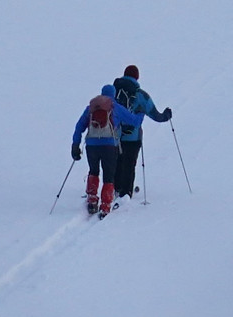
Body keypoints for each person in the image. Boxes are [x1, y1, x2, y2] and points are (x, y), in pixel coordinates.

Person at [72, 84, 143, 218]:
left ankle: (92, 200)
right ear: (114, 94)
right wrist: (141, 113)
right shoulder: (115, 107)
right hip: (109, 146)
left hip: (91, 145)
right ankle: (105, 206)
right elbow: (134, 122)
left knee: (93, 171)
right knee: (109, 176)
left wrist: (75, 144)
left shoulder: (91, 108)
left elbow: (79, 126)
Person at [112, 65, 172, 199]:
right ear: (137, 77)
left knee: (117, 161)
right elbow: (155, 115)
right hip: (133, 137)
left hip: (114, 135)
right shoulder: (140, 95)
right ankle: (126, 193)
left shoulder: (113, 91)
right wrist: (166, 116)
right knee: (129, 163)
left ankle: (114, 188)